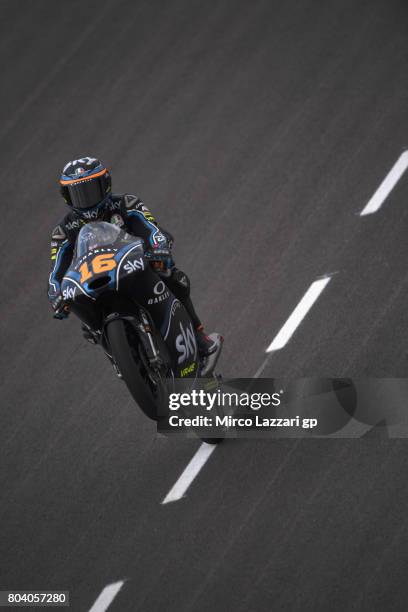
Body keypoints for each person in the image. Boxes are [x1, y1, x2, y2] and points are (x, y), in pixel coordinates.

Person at [48, 156, 217, 356]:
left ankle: (198, 335)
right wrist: (55, 293)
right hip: (93, 280)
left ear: (106, 184)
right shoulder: (63, 230)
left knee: (174, 277)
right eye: (78, 194)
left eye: (91, 190)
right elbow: (57, 269)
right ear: (67, 196)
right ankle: (119, 356)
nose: (86, 200)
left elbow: (151, 229)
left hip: (134, 265)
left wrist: (158, 247)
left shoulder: (126, 203)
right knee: (82, 316)